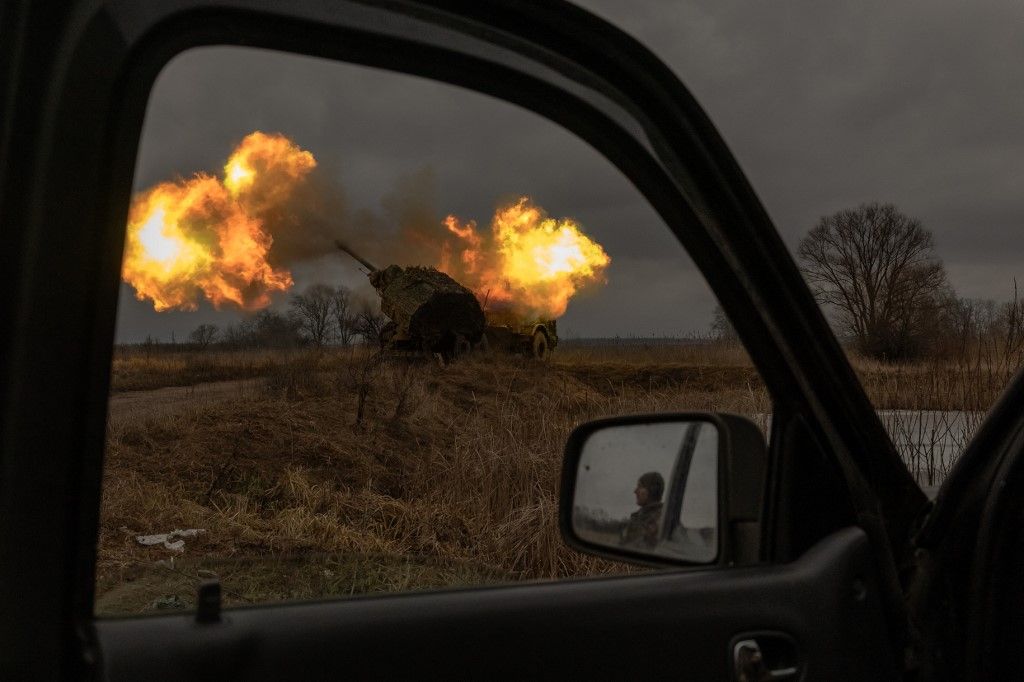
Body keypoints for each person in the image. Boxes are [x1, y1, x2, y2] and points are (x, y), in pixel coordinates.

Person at [620, 471, 665, 549]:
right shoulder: (640, 516)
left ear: (652, 490)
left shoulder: (661, 520)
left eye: (640, 486)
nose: (635, 491)